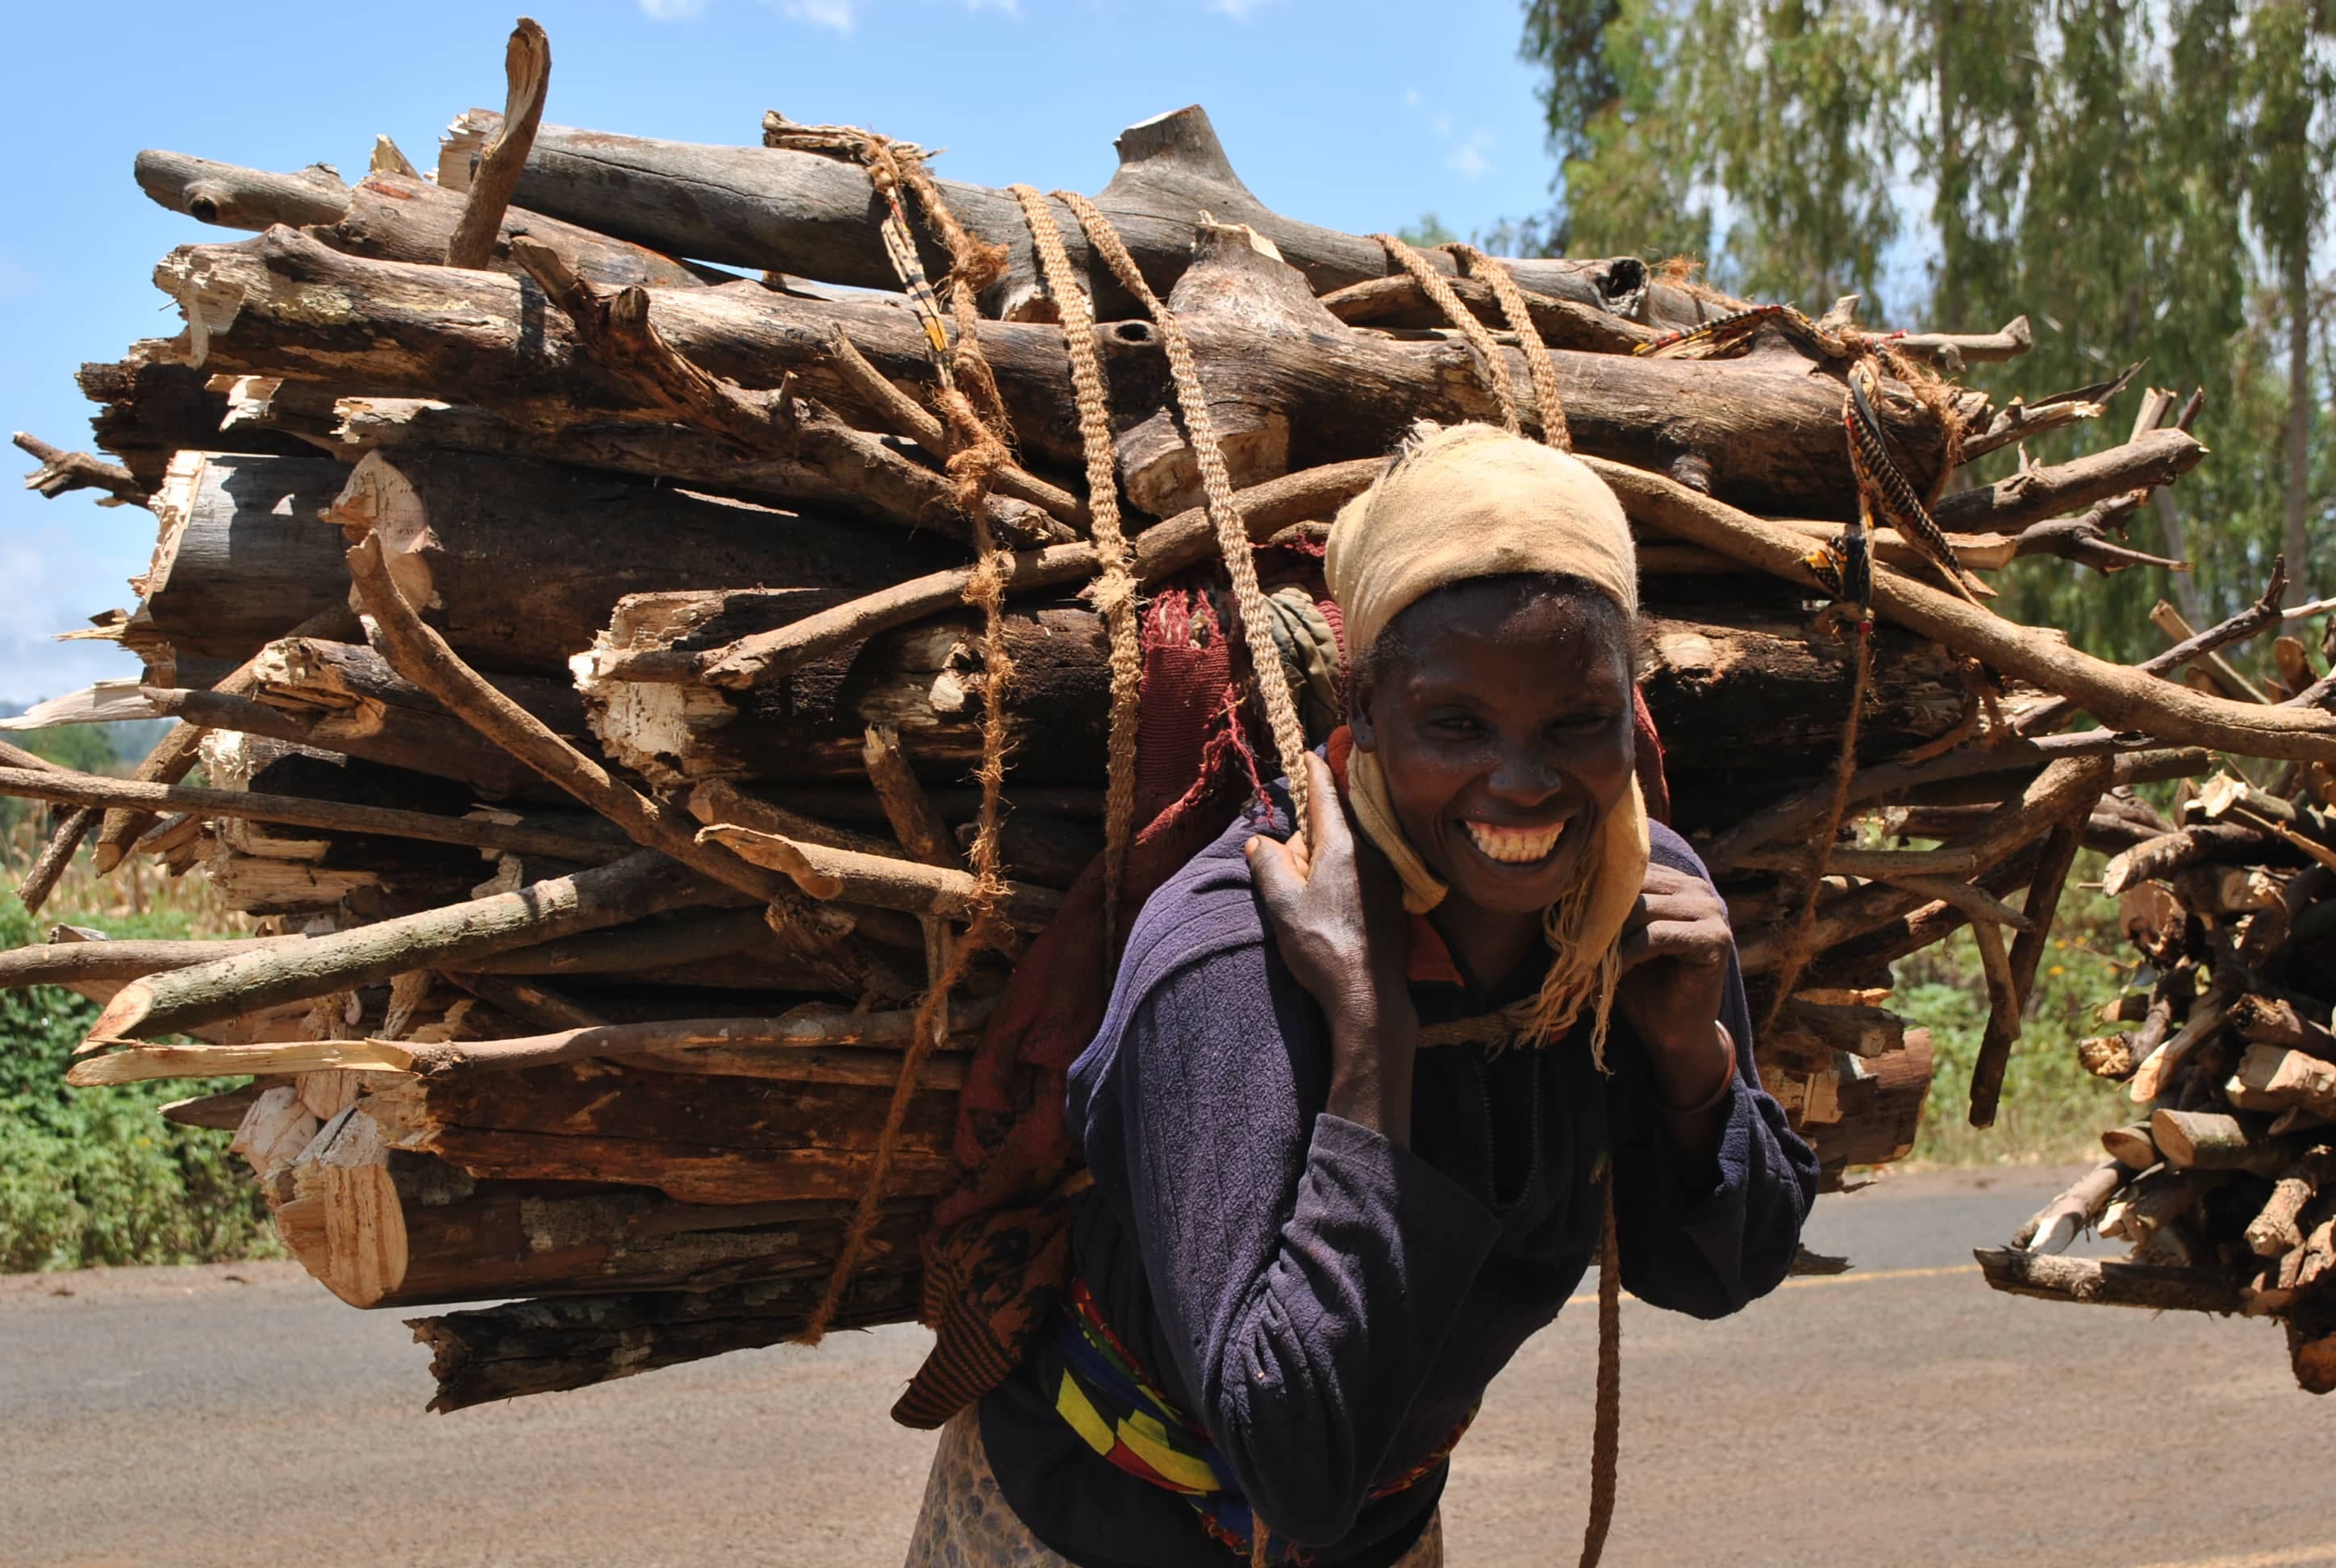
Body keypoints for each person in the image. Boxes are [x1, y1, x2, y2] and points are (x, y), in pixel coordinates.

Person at [905, 423, 1821, 1566]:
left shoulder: (1641, 915)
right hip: (1093, 1519)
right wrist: (1370, 1034)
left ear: (1629, 710)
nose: (1524, 782)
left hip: (1380, 1524)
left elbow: (1721, 1269)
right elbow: (1290, 1452)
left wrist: (1695, 1070)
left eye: (1576, 723)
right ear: (1368, 710)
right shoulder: (1232, 957)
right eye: (1458, 724)